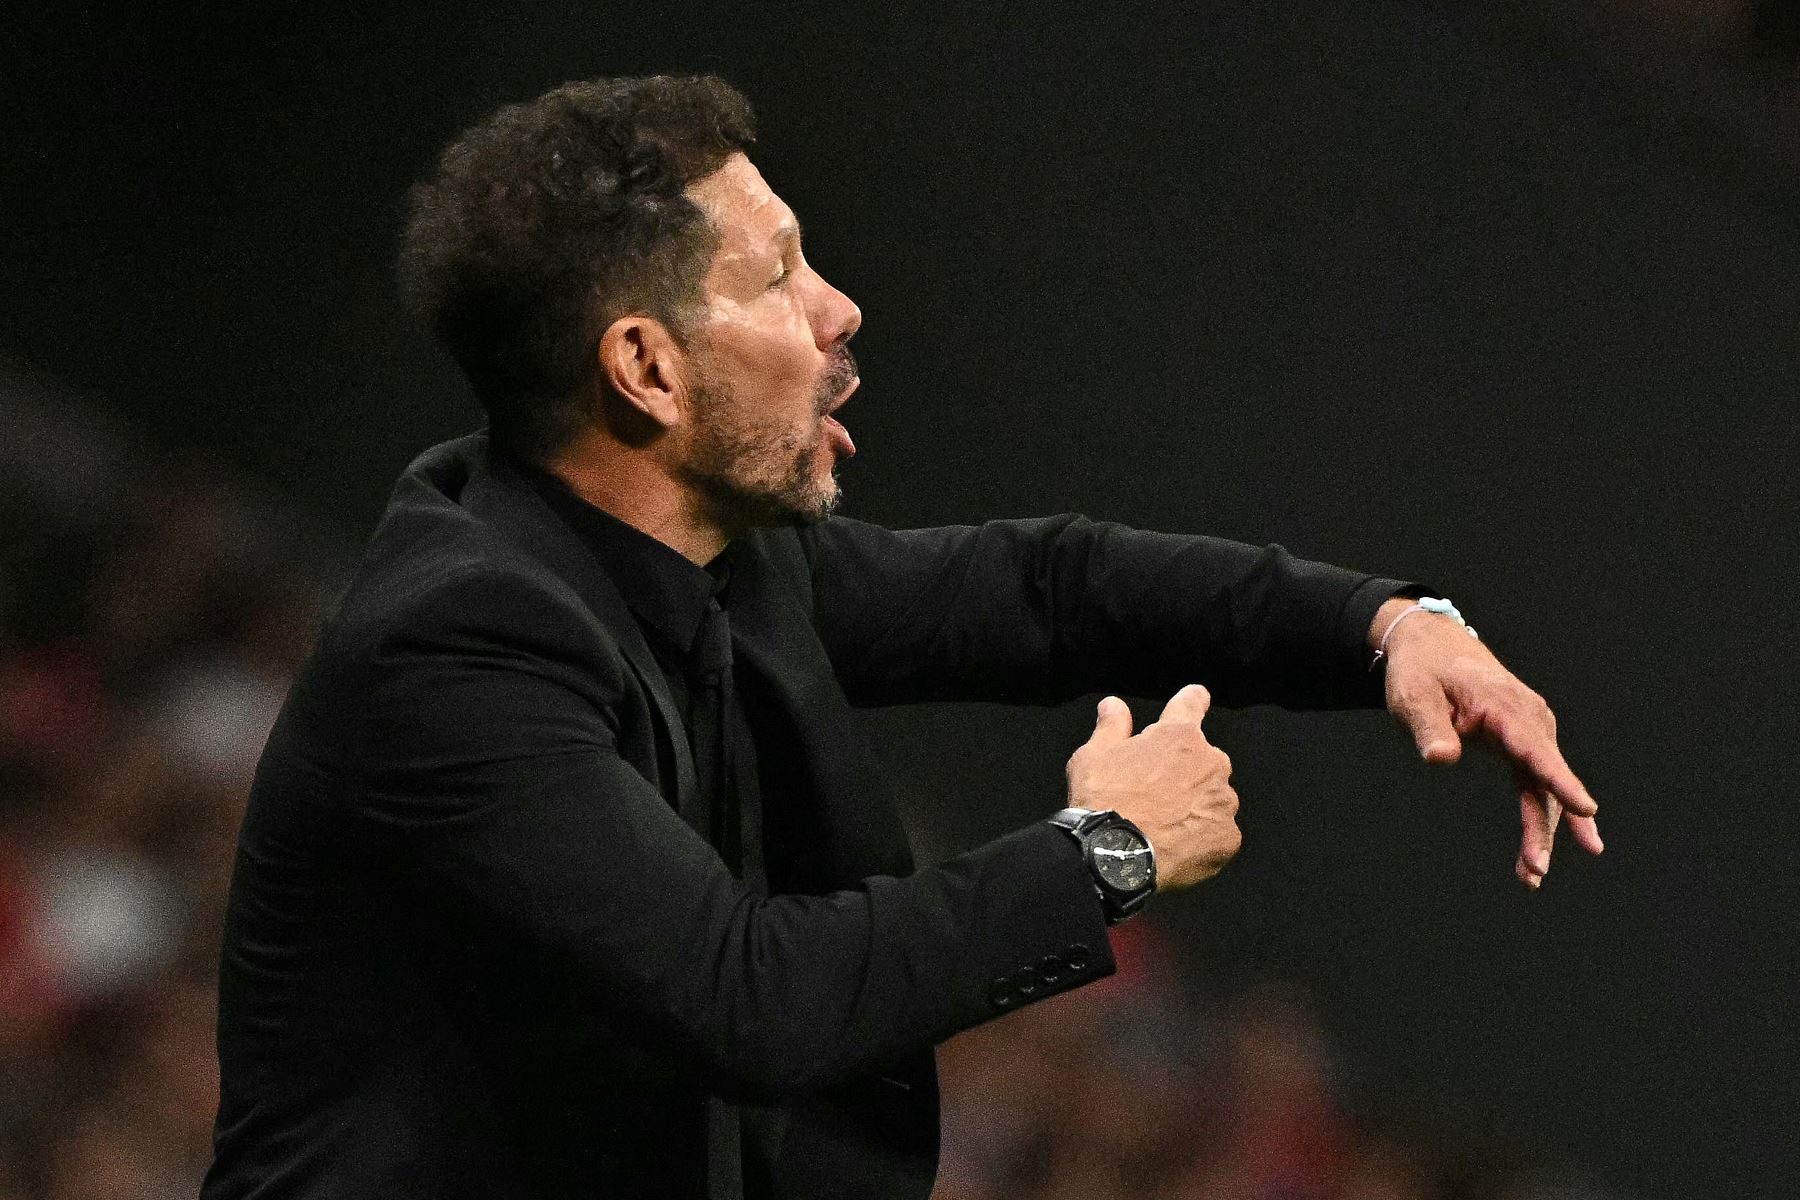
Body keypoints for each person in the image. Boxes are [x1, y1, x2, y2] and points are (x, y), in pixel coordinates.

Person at [201, 75, 1603, 1200]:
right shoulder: (458, 647)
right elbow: (748, 997)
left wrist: (1388, 624)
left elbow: (1046, 591)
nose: (839, 309)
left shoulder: (718, 562)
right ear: (643, 368)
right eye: (779, 276)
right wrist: (1102, 855)